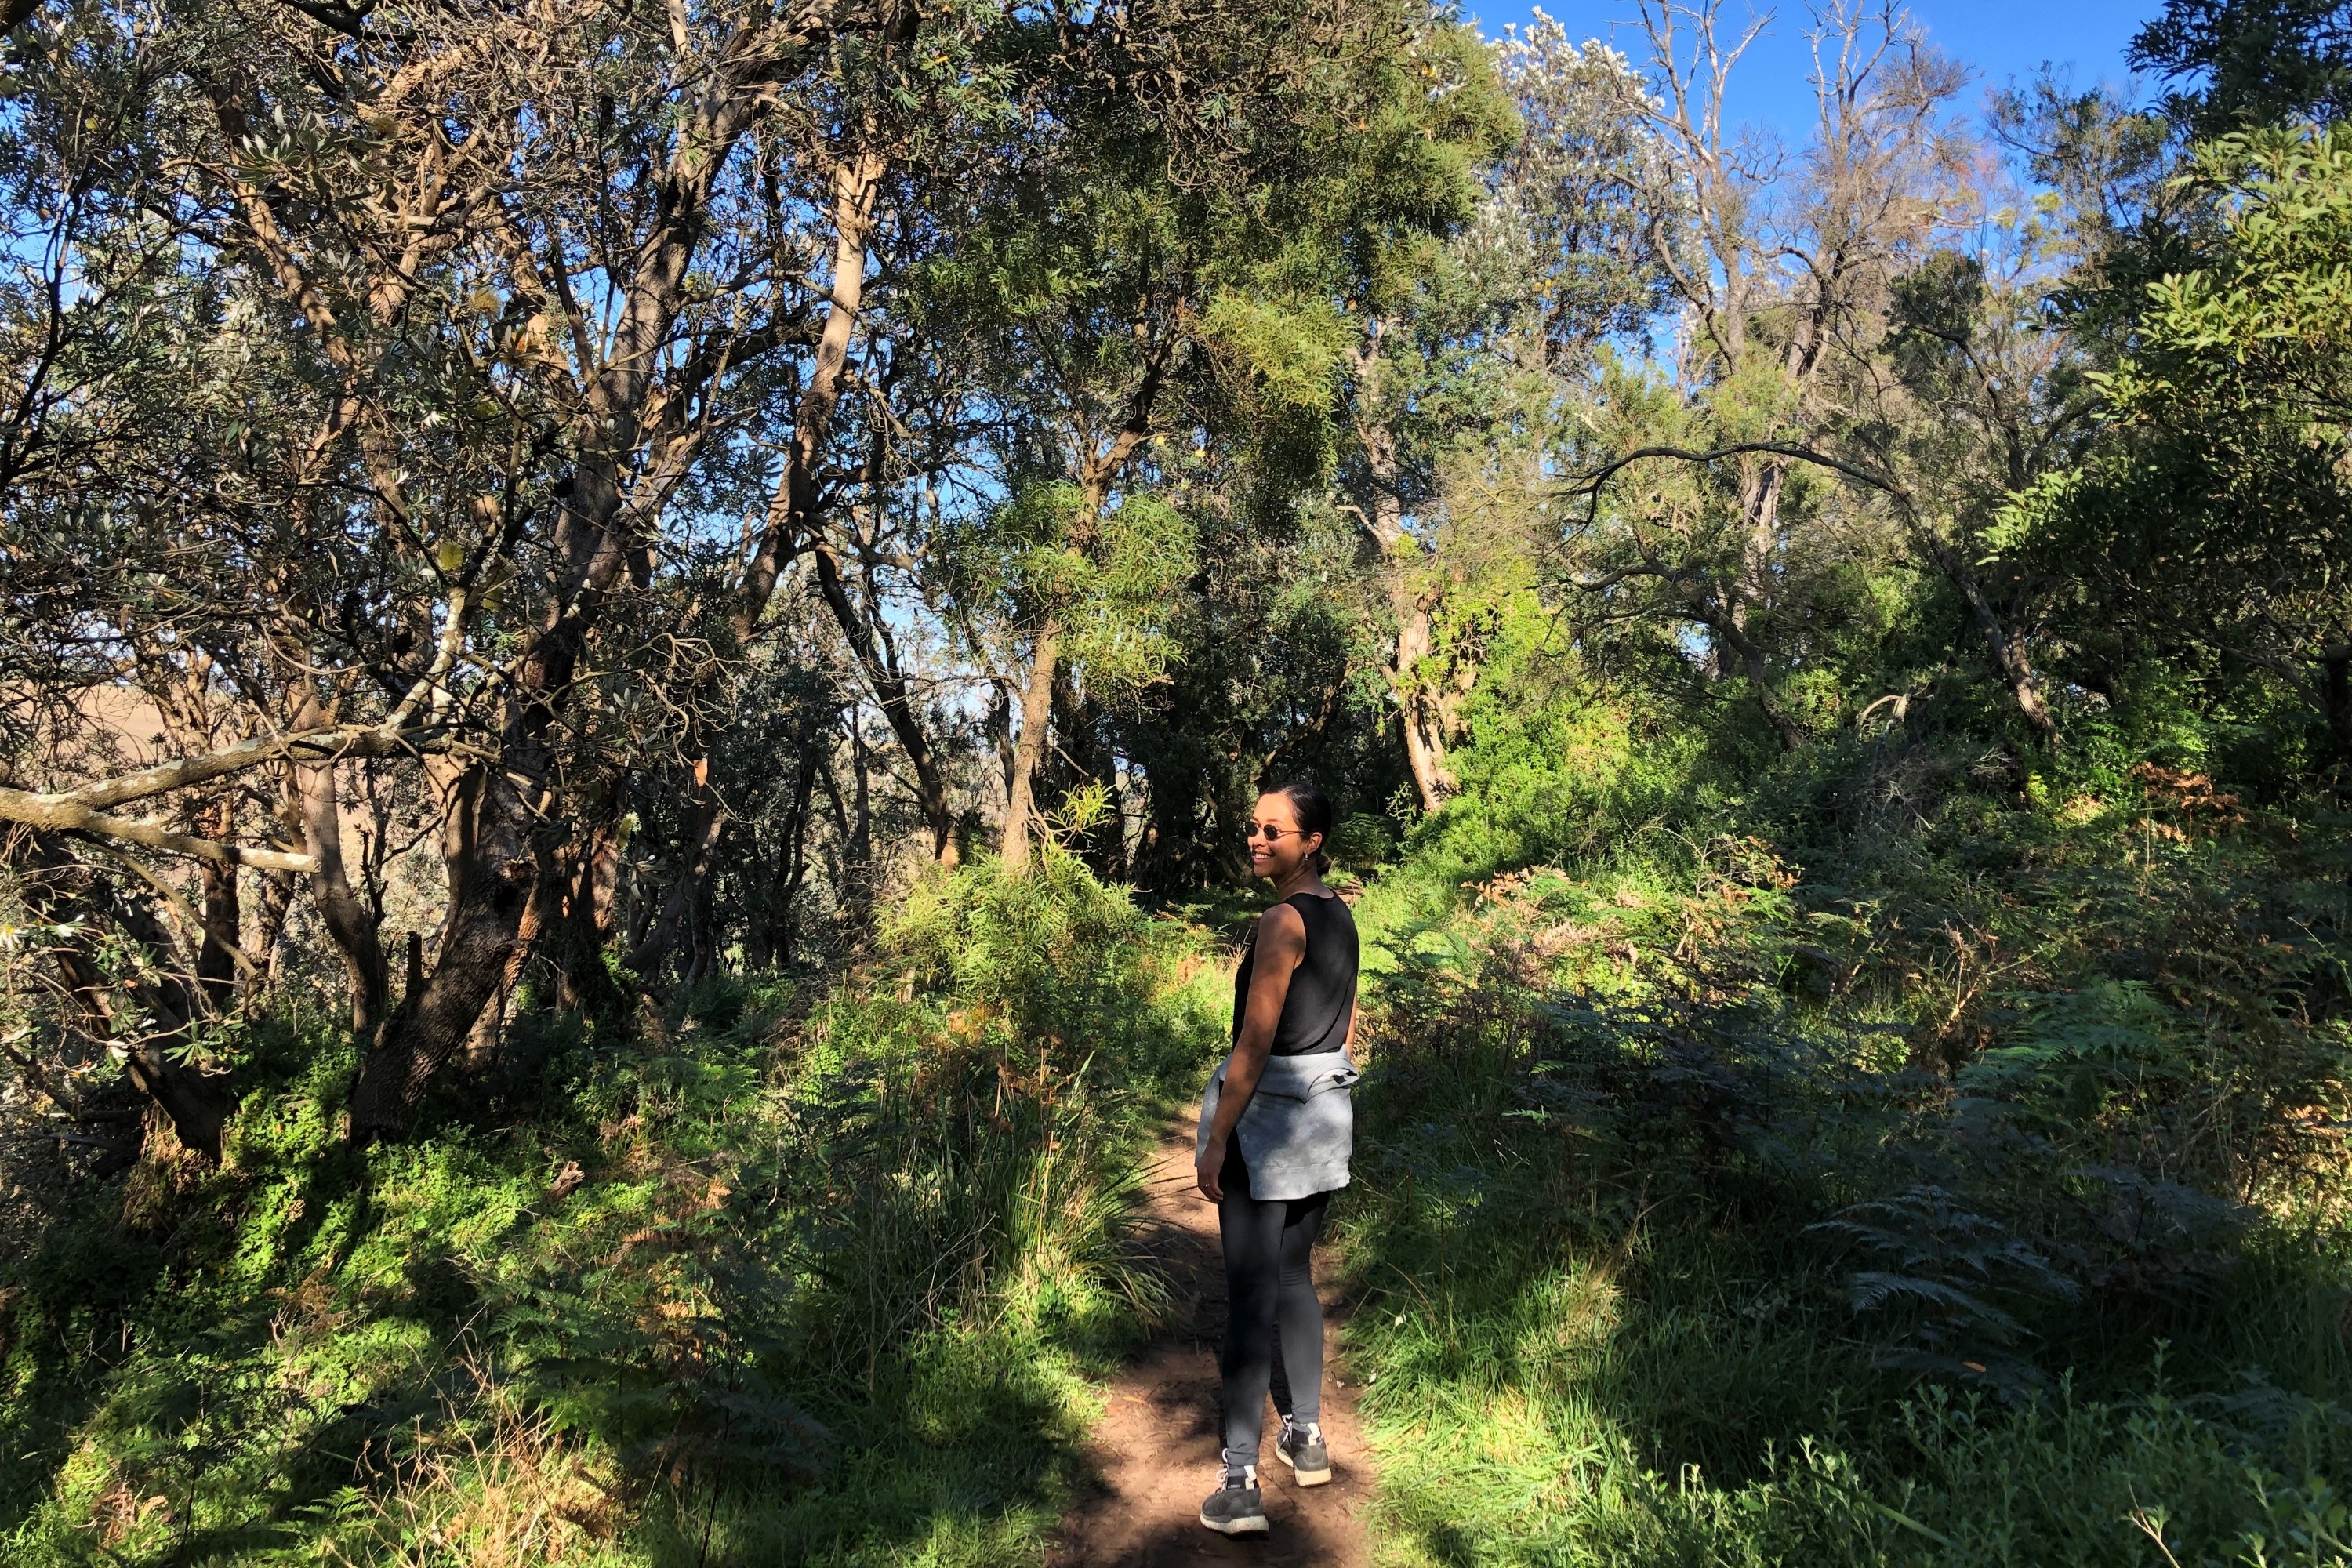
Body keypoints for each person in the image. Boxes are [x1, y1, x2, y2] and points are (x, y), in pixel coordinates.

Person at [1193, 781, 1362, 1537]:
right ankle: (1308, 1438)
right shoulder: (1340, 916)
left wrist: (1217, 1139)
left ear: (1311, 842)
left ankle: (1239, 1484)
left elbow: (1253, 1045)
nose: (1257, 840)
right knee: (1294, 1276)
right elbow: (1344, 1026)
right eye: (1253, 827)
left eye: (1273, 831)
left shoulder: (1280, 921)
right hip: (1323, 1117)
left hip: (1266, 1126)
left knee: (1249, 1296)